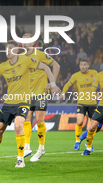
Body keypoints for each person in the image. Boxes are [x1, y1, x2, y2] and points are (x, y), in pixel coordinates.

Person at [0, 40, 61, 168]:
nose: (7, 51)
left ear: (16, 50)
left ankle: (20, 159)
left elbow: (46, 67)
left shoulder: (26, 60)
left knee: (18, 125)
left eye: (10, 49)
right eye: (6, 49)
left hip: (23, 101)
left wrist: (52, 84)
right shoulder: (3, 66)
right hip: (9, 103)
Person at [21, 33, 60, 161]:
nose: (25, 43)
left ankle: (41, 149)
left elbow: (56, 65)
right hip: (27, 94)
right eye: (23, 41)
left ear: (33, 43)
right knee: (26, 119)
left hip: (41, 92)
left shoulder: (41, 55)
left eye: (28, 41)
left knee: (38, 120)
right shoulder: (20, 57)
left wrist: (52, 82)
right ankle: (27, 147)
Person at [60, 58, 97, 150]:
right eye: (81, 65)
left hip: (92, 103)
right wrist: (63, 93)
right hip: (81, 103)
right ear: (79, 66)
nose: (83, 67)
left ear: (88, 65)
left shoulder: (94, 73)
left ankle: (89, 143)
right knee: (80, 122)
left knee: (92, 126)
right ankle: (77, 141)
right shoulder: (76, 75)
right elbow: (68, 84)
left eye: (85, 65)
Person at [82, 70, 103, 155]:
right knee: (92, 127)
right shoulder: (99, 75)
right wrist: (95, 94)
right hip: (101, 107)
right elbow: (93, 88)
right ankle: (88, 148)